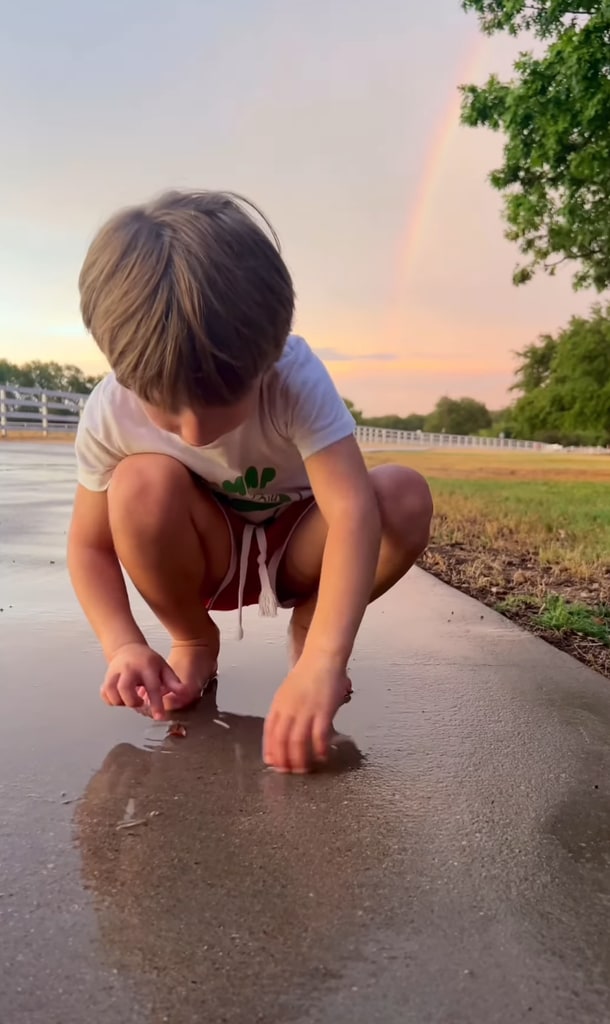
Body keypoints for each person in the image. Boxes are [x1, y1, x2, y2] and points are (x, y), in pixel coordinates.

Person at [68, 189, 433, 774]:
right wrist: (123, 644)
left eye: (221, 402)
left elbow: (353, 513)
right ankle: (193, 640)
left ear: (267, 357)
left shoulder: (294, 376)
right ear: (119, 365)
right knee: (139, 482)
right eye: (164, 406)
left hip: (297, 550)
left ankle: (310, 635)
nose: (192, 432)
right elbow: (88, 547)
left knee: (401, 495)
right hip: (207, 557)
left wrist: (325, 658)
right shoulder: (111, 408)